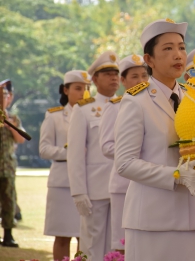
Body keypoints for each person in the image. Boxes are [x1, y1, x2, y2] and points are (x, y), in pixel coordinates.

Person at [114, 19, 195, 260]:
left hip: (191, 217)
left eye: (181, 47)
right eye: (168, 48)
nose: (178, 55)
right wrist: (176, 176)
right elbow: (124, 163)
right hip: (152, 220)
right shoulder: (136, 100)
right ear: (149, 60)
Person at [67, 51, 120, 261]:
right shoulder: (84, 110)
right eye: (107, 73)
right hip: (94, 189)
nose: (114, 77)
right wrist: (79, 191)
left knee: (119, 244)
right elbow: (75, 154)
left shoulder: (128, 105)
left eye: (116, 73)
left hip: (122, 186)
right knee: (92, 244)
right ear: (95, 79)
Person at [99, 54, 148, 253]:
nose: (141, 81)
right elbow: (106, 145)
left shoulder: (155, 103)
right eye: (135, 76)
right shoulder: (115, 106)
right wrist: (133, 151)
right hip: (123, 183)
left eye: (144, 75)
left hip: (149, 181)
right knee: (121, 242)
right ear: (123, 81)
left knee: (144, 240)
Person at [39, 70, 90, 260]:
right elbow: (44, 149)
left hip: (87, 182)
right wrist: (70, 153)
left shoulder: (94, 114)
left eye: (86, 89)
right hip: (61, 184)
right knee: (61, 237)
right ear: (66, 90)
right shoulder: (54, 116)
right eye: (78, 88)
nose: (82, 93)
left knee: (84, 236)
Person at [0, 79, 25, 247]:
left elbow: (21, 139)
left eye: (4, 95)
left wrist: (10, 126)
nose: (3, 98)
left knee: (9, 201)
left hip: (7, 167)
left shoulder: (13, 118)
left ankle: (8, 234)